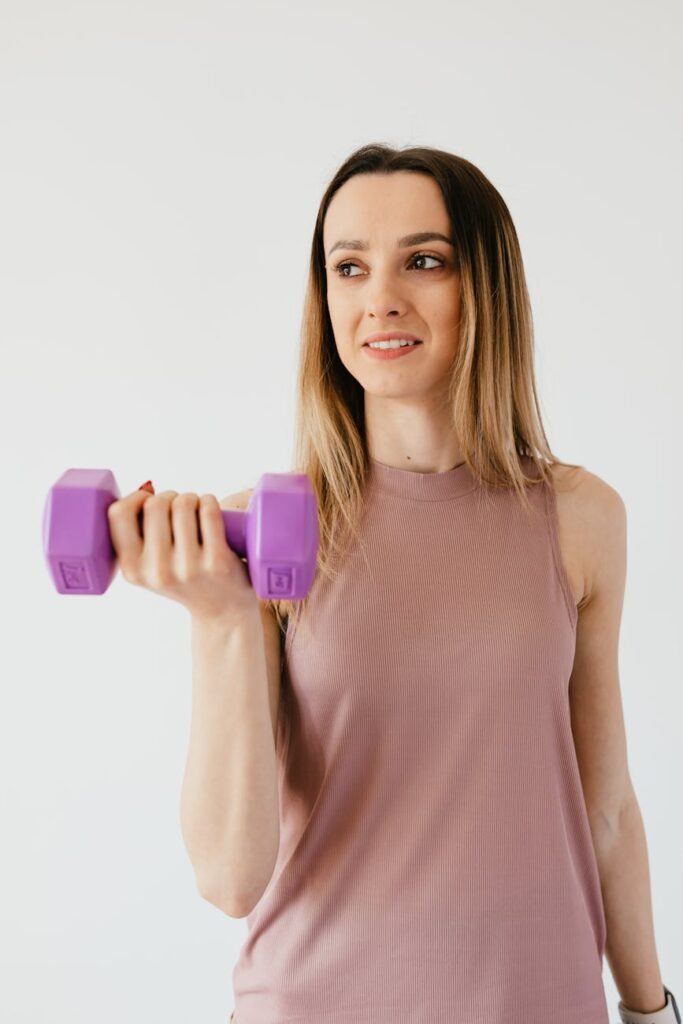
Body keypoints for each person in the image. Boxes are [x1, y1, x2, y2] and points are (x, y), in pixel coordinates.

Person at [109, 143, 677, 1023]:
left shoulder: (579, 519)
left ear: (482, 286)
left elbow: (605, 811)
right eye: (348, 267)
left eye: (423, 260)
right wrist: (224, 618)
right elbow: (228, 878)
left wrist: (649, 1009)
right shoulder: (261, 530)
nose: (379, 298)